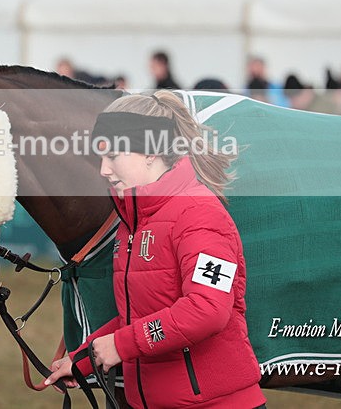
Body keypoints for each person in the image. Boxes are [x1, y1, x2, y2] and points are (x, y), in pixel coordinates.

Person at [45, 91, 266, 408]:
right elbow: (136, 317)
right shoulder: (131, 223)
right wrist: (82, 359)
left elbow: (208, 309)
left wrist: (121, 346)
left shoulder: (201, 215)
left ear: (149, 152)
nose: (104, 170)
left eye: (114, 156)